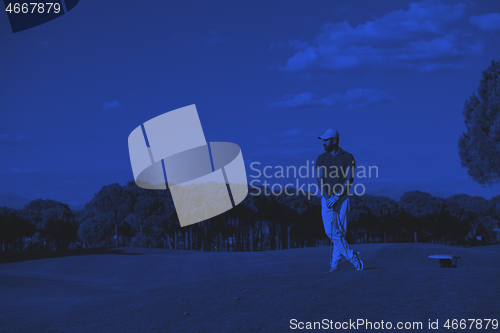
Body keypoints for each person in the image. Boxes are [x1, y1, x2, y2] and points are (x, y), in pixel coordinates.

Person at [316, 129, 363, 272]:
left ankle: (334, 264)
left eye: (326, 140)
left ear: (334, 140)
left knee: (340, 231)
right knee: (329, 231)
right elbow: (320, 179)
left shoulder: (348, 157)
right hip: (327, 199)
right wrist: (328, 198)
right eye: (323, 140)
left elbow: (349, 179)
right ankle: (351, 255)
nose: (323, 143)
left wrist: (337, 196)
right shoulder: (321, 158)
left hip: (342, 198)